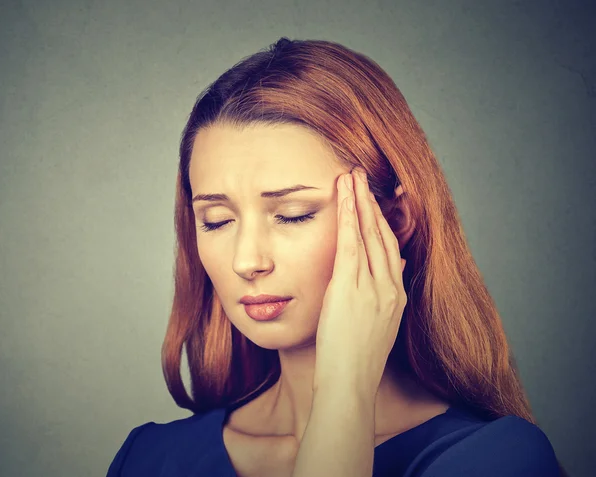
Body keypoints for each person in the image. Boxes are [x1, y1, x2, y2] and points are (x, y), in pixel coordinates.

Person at [106, 37, 567, 477]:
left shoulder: (495, 461)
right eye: (217, 221)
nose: (246, 261)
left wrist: (344, 388)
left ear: (395, 219)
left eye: (292, 214)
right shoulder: (149, 461)